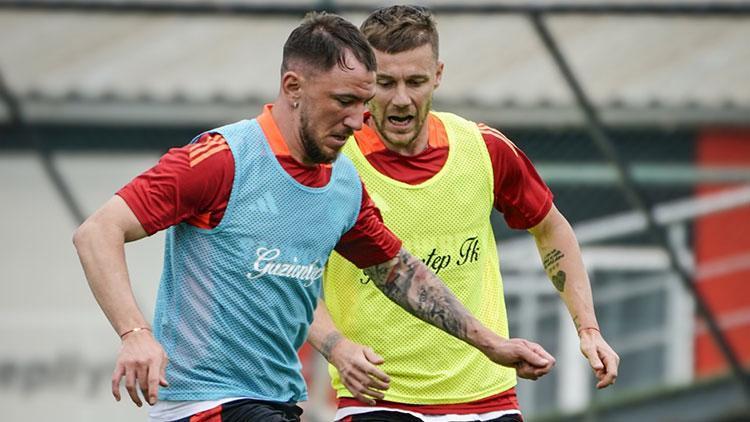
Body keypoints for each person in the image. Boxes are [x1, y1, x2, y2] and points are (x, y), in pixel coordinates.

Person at [72, 12, 555, 422]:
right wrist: (135, 334)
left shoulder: (342, 182)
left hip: (278, 400)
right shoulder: (223, 159)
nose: (358, 120)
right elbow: (97, 232)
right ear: (293, 87)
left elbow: (397, 271)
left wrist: (490, 344)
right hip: (204, 401)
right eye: (343, 102)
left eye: (364, 103)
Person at [307, 5, 620, 422]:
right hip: (377, 400)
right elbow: (288, 274)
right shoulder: (332, 163)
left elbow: (551, 230)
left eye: (415, 81)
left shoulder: (483, 149)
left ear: (438, 75)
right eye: (385, 83)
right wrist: (336, 346)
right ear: (365, 81)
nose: (401, 99)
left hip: (488, 401)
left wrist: (589, 330)